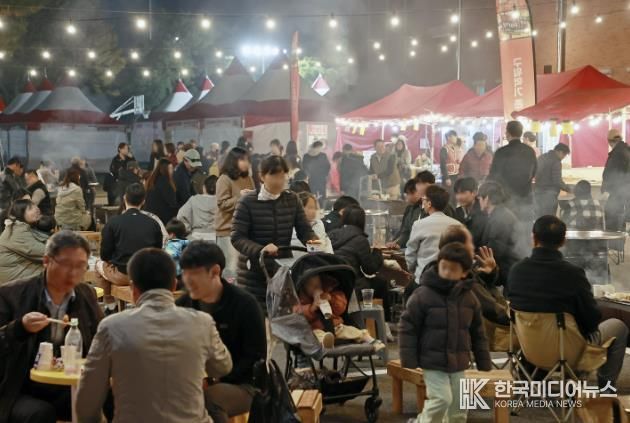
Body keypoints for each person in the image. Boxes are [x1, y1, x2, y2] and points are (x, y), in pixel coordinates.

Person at [77, 248, 232, 423]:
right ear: (174, 285)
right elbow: (222, 367)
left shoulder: (111, 327)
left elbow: (88, 399)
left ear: (133, 288)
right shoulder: (202, 323)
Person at [507, 216, 629, 389]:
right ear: (563, 241)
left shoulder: (516, 271)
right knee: (619, 326)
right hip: (569, 353)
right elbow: (592, 320)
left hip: (530, 351)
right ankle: (605, 389)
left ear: (533, 238)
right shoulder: (573, 274)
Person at [0, 231, 102, 422]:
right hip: (20, 387)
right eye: (66, 265)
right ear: (46, 261)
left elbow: (100, 338)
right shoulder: (11, 294)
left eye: (80, 266)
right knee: (39, 413)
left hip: (67, 383)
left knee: (105, 398)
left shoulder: (85, 294)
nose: (73, 273)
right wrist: (20, 328)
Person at [400, 242, 491, 423]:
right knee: (441, 399)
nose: (447, 272)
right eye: (444, 267)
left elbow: (478, 332)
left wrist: (483, 360)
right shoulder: (423, 294)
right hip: (432, 361)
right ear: (438, 264)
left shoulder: (470, 298)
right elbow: (408, 327)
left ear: (464, 272)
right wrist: (409, 359)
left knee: (459, 408)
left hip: (459, 362)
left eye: (453, 269)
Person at [177, 242, 266, 423]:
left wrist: (213, 380)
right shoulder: (182, 306)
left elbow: (255, 358)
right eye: (184, 273)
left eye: (194, 273)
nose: (187, 280)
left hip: (245, 385)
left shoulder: (245, 304)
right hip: (195, 382)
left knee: (208, 400)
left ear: (215, 272)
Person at [232, 155, 317, 309]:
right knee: (258, 315)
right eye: (274, 176)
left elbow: (304, 230)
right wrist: (260, 249)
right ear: (262, 176)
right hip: (253, 274)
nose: (279, 181)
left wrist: (312, 239)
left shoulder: (292, 199)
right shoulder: (247, 202)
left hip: (281, 270)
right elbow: (237, 237)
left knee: (282, 315)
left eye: (282, 176)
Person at [95, 183, 163, 312]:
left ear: (124, 198)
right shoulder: (153, 223)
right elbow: (158, 252)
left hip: (123, 275)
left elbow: (105, 255)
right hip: (146, 275)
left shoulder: (113, 222)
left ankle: (110, 304)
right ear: (143, 201)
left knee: (98, 265)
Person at [438, 225, 508, 326]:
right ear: (458, 249)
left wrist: (490, 273)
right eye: (469, 243)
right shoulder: (464, 281)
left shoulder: (453, 269)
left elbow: (483, 286)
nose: (473, 247)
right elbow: (492, 309)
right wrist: (515, 317)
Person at [328, 205, 390, 319]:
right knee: (381, 283)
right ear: (362, 221)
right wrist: (377, 251)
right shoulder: (361, 239)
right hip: (353, 285)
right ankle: (383, 322)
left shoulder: (331, 235)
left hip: (332, 284)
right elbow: (370, 269)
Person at [297, 271, 384, 350]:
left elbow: (341, 307)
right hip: (315, 328)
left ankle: (369, 339)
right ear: (304, 287)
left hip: (335, 325)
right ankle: (326, 342)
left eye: (318, 285)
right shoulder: (301, 299)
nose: (316, 288)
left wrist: (331, 299)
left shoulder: (329, 292)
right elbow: (297, 314)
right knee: (316, 335)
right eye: (311, 286)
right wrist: (311, 309)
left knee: (350, 330)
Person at [405, 185, 463, 283]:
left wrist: (412, 270)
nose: (422, 202)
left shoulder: (419, 224)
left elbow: (410, 253)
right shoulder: (457, 225)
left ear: (429, 203)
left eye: (424, 199)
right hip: (449, 278)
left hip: (424, 278)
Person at [216, 147, 255, 280]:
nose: (247, 163)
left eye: (247, 160)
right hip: (228, 231)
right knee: (231, 270)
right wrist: (240, 197)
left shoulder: (248, 178)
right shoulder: (224, 179)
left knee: (243, 269)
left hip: (245, 231)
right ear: (234, 161)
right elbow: (222, 204)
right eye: (243, 160)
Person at [488, 121, 537, 223]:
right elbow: (534, 171)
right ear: (521, 133)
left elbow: (493, 176)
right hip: (525, 197)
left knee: (507, 227)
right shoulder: (529, 151)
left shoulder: (501, 152)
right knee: (524, 227)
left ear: (507, 133)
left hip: (506, 199)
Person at [477, 181, 524, 287]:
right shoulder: (500, 214)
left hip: (506, 271)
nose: (478, 201)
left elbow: (494, 251)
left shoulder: (499, 219)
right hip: (508, 268)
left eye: (479, 198)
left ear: (486, 198)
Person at [0, 200, 47, 284]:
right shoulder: (16, 232)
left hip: (20, 272)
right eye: (30, 208)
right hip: (15, 282)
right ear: (20, 214)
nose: (37, 209)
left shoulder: (20, 227)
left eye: (35, 205)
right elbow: (45, 252)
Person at [602, 128, 630, 233]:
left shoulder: (617, 153)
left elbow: (611, 174)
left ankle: (613, 239)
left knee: (612, 215)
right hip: (625, 191)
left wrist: (606, 190)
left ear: (609, 141)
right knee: (620, 217)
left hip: (617, 192)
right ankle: (620, 238)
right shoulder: (626, 150)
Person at [535, 143, 571, 217]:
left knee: (540, 217)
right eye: (564, 155)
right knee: (550, 217)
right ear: (560, 152)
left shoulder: (542, 157)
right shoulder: (556, 161)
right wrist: (568, 189)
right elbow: (557, 181)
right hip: (550, 195)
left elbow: (536, 173)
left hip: (538, 192)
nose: (563, 157)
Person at [178, 175, 217, 241]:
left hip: (196, 237)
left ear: (204, 187)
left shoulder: (194, 199)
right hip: (217, 238)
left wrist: (188, 229)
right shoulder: (221, 201)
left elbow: (181, 216)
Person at [386, 179, 422, 250]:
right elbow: (403, 230)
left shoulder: (424, 209)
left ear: (416, 192)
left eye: (408, 194)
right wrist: (394, 242)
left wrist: (398, 243)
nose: (407, 197)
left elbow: (410, 233)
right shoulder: (409, 208)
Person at [453, 177, 487, 247]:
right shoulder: (457, 212)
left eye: (463, 193)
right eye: (457, 193)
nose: (459, 197)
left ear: (474, 193)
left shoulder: (483, 211)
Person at [144, 158, 178, 225]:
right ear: (165, 170)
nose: (173, 170)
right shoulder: (165, 183)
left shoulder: (152, 181)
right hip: (162, 219)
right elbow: (172, 203)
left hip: (150, 216)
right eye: (170, 168)